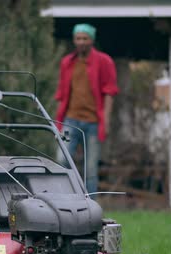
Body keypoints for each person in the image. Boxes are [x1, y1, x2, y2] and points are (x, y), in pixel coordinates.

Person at [55, 23, 118, 195]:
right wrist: (57, 123)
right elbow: (61, 96)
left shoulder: (104, 61)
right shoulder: (67, 62)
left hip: (93, 123)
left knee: (90, 170)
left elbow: (109, 93)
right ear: (74, 41)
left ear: (92, 40)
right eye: (78, 38)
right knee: (61, 160)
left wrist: (106, 121)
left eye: (85, 38)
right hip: (70, 119)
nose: (81, 42)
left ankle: (91, 207)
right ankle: (64, 198)